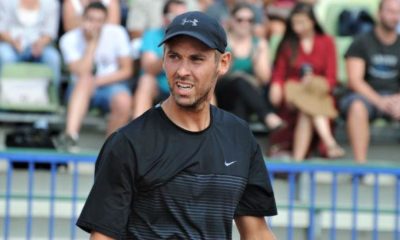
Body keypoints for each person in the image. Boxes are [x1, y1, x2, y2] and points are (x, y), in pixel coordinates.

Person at [76, 11, 277, 239]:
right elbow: (103, 236)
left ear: (223, 63)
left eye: (196, 59)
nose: (182, 71)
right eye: (174, 57)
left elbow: (257, 232)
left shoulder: (239, 136)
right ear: (163, 59)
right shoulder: (128, 143)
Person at [269, 2, 344, 161]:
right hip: (293, 92)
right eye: (294, 23)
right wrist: (276, 86)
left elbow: (331, 78)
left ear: (312, 22)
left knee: (306, 111)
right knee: (299, 95)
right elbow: (279, 73)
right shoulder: (288, 44)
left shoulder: (326, 42)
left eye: (301, 22)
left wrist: (313, 82)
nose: (297, 27)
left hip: (317, 92)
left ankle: (297, 161)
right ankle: (329, 142)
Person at [58, 2, 132, 150]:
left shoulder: (117, 33)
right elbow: (81, 72)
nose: (94, 24)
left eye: (99, 21)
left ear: (105, 21)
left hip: (109, 85)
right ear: (82, 19)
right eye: (90, 19)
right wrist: (92, 43)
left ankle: (111, 148)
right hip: (79, 88)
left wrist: (97, 81)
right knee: (85, 80)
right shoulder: (68, 39)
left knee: (123, 100)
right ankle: (70, 137)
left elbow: (127, 70)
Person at [340, 0, 400, 164]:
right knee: (357, 107)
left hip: (395, 97)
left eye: (397, 12)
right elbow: (355, 81)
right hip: (364, 96)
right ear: (379, 13)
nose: (394, 16)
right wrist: (380, 101)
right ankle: (361, 167)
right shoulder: (361, 42)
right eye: (390, 11)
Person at [215, 2, 284, 131]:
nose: (245, 24)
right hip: (223, 91)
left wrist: (256, 58)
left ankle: (240, 143)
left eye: (249, 20)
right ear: (231, 21)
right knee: (238, 80)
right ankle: (267, 115)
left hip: (249, 95)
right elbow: (216, 76)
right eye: (240, 20)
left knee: (239, 101)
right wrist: (232, 60)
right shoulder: (222, 43)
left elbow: (264, 79)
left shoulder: (259, 44)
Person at [131, 0, 187, 119]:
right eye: (176, 17)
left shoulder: (192, 40)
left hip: (184, 85)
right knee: (146, 80)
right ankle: (137, 131)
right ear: (165, 18)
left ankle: (212, 134)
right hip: (158, 87)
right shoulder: (152, 35)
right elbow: (149, 68)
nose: (182, 22)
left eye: (184, 18)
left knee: (206, 85)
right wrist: (172, 48)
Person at [0, 0, 61, 91]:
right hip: (11, 44)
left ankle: (53, 98)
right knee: (5, 55)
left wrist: (40, 43)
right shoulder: (5, 1)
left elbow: (51, 32)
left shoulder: (51, 3)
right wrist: (12, 41)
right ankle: (5, 100)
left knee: (53, 57)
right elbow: (1, 29)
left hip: (40, 45)